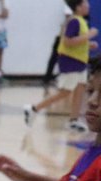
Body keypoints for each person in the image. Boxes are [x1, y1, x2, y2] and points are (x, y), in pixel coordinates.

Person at [24, 0, 97, 134]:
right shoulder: (74, 21)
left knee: (80, 89)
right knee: (65, 92)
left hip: (80, 61)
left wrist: (88, 43)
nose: (88, 6)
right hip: (71, 61)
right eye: (86, 4)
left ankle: (73, 121)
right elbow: (68, 42)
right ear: (78, 7)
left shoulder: (81, 21)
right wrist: (89, 36)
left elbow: (77, 41)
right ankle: (33, 109)